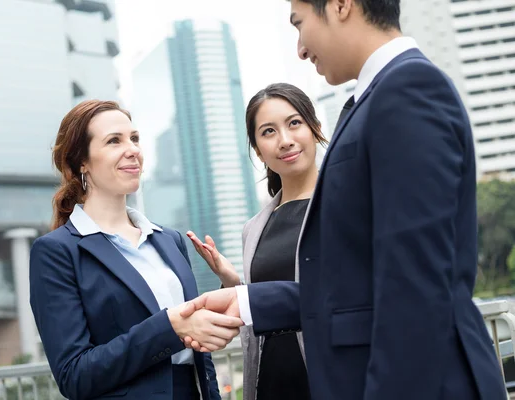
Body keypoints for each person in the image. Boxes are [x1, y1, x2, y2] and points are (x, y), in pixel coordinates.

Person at [182, 0, 508, 399]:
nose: (300, 48)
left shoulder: (405, 89)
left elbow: (413, 287)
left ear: (340, 6)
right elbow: (356, 286)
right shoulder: (374, 99)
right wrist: (246, 299)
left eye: (299, 24)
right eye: (267, 132)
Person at [29, 100, 242, 400]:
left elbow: (198, 349)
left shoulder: (169, 240)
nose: (133, 150)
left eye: (135, 138)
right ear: (82, 162)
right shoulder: (56, 252)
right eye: (114, 141)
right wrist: (170, 327)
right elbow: (74, 375)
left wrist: (230, 287)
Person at [187, 83, 326, 399]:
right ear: (257, 149)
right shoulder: (254, 228)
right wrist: (233, 281)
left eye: (294, 123)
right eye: (268, 132)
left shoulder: (346, 205)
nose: (285, 140)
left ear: (315, 128)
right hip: (271, 382)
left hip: (329, 378)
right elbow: (258, 308)